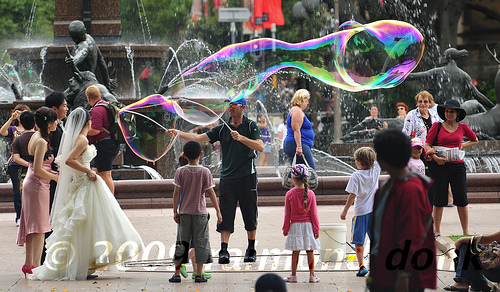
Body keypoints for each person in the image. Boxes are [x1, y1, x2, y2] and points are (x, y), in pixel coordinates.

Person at [29, 107, 144, 280]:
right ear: (88, 123)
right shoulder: (82, 139)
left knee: (85, 226)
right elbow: (69, 161)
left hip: (82, 184)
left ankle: (84, 263)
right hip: (86, 183)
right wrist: (88, 171)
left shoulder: (74, 139)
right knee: (94, 223)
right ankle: (84, 263)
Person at [167, 97, 263, 264]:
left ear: (243, 107)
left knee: (250, 213)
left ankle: (251, 248)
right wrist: (178, 134)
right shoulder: (222, 128)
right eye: (229, 105)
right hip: (227, 177)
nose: (230, 108)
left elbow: (260, 146)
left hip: (247, 176)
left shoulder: (250, 126)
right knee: (226, 214)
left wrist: (241, 138)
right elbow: (198, 138)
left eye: (233, 105)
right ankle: (224, 250)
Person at [369, 129, 436, 292]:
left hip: (402, 278)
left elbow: (411, 235)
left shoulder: (411, 189)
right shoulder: (387, 187)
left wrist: (403, 274)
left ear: (384, 158)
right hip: (384, 271)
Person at [169, 141, 222, 283]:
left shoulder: (180, 171)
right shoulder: (205, 172)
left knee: (182, 243)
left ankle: (176, 275)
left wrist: (175, 210)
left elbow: (176, 193)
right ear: (201, 154)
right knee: (201, 243)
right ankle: (198, 274)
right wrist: (218, 211)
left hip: (184, 212)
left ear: (184, 156)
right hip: (200, 213)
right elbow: (211, 192)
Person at [424, 99, 478, 236]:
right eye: (447, 111)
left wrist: (462, 146)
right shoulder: (437, 126)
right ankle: (437, 231)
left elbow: (475, 140)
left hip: (457, 166)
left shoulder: (463, 127)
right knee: (439, 198)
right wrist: (436, 158)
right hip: (440, 166)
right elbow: (427, 146)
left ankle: (465, 231)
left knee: (461, 198)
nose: (449, 114)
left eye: (452, 111)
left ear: (457, 113)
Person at [16, 107, 59, 277]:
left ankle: (30, 264)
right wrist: (55, 177)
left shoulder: (36, 135)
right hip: (37, 184)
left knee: (34, 227)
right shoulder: (40, 140)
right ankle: (35, 266)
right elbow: (39, 169)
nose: (56, 123)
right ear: (49, 122)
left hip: (35, 182)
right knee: (40, 227)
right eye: (54, 120)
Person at [340, 147, 380, 277]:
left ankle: (362, 265)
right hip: (375, 212)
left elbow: (352, 195)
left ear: (359, 162)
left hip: (360, 213)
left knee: (359, 240)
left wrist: (345, 211)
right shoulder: (376, 170)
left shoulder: (356, 176)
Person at [41, 92, 68, 263]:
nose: (66, 108)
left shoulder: (57, 127)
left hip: (54, 178)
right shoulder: (50, 131)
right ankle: (46, 256)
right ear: (54, 109)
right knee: (50, 215)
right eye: (64, 105)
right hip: (51, 180)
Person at [282, 164, 320, 283]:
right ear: (307, 178)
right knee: (310, 251)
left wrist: (285, 228)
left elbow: (287, 214)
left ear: (293, 179)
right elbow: (314, 214)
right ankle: (312, 275)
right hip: (308, 226)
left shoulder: (289, 194)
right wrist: (316, 229)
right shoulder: (311, 194)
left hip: (295, 226)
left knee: (295, 251)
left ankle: (293, 275)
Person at [86, 85, 120, 194]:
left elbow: (95, 130)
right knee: (95, 172)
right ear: (100, 95)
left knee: (106, 175)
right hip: (110, 144)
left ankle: (111, 203)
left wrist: (81, 133)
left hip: (105, 146)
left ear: (88, 98)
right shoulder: (106, 105)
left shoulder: (97, 110)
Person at [0, 103, 30, 226]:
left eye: (23, 112)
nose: (20, 115)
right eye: (19, 112)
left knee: (29, 189)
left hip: (29, 162)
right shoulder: (13, 129)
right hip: (14, 163)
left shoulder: (31, 129)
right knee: (17, 190)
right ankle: (18, 216)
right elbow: (2, 131)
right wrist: (11, 119)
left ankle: (29, 214)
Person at [65, 20, 115, 93]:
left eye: (78, 37)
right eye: (74, 38)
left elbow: (82, 53)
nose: (76, 40)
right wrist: (107, 81)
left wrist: (74, 59)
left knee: (60, 99)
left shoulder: (84, 44)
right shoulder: (90, 39)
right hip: (90, 79)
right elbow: (101, 61)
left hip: (83, 82)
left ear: (84, 31)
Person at [11, 111, 35, 226]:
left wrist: (29, 165)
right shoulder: (40, 137)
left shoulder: (17, 140)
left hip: (25, 175)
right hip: (43, 173)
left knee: (26, 200)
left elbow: (16, 158)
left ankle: (26, 221)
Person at [283, 89, 315, 169]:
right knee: (311, 171)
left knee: (299, 173)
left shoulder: (296, 110)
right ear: (302, 99)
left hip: (296, 143)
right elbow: (296, 130)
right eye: (307, 99)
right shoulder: (297, 111)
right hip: (298, 144)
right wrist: (299, 147)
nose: (308, 102)